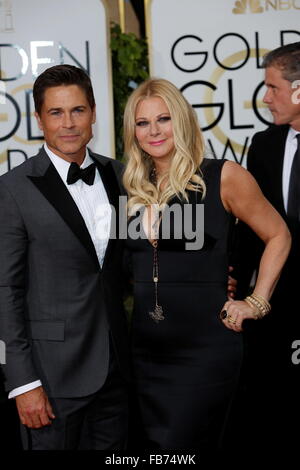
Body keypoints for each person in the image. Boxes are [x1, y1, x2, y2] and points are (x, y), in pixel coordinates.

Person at [122, 77, 291, 450]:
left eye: (163, 119)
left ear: (181, 121)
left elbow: (279, 234)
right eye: (142, 122)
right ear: (132, 131)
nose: (153, 131)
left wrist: (257, 301)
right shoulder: (129, 186)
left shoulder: (222, 176)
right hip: (145, 354)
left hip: (204, 353)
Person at [0, 64, 129, 450]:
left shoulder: (121, 176)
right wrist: (22, 382)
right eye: (56, 113)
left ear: (93, 113)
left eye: (78, 110)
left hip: (117, 370)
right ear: (39, 119)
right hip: (51, 377)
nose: (69, 123)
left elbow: (137, 259)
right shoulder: (13, 189)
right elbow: (5, 291)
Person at [232, 42, 300, 446]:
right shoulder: (264, 145)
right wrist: (236, 286)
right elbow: (248, 229)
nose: (266, 98)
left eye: (273, 88)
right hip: (274, 303)